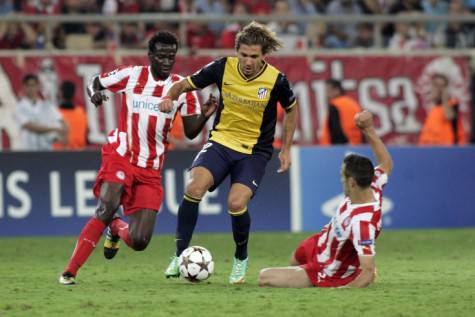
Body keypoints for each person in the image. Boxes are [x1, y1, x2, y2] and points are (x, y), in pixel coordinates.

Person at [59, 31, 217, 285]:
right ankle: (70, 271)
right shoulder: (132, 76)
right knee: (106, 205)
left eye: (171, 57)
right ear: (150, 56)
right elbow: (94, 81)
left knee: (139, 240)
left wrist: (206, 114)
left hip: (151, 168)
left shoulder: (183, 88)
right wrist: (93, 94)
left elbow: (190, 133)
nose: (167, 61)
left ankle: (117, 228)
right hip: (122, 153)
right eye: (162, 56)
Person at [159, 21, 299, 284]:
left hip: (254, 151)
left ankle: (240, 258)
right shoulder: (222, 67)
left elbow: (292, 108)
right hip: (222, 142)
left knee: (236, 204)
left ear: (263, 55)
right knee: (193, 189)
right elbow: (184, 84)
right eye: (243, 55)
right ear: (237, 51)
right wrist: (169, 96)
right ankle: (178, 256)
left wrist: (287, 148)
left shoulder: (276, 80)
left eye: (254, 57)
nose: (247, 61)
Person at [259, 110, 393, 288]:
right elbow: (386, 164)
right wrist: (369, 129)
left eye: (342, 176)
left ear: (352, 183)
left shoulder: (362, 223)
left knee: (264, 277)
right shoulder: (372, 183)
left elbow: (368, 271)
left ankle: (334, 273)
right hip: (320, 243)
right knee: (293, 259)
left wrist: (342, 291)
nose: (340, 179)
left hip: (328, 268)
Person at [13, 73, 68, 150]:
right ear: (24, 87)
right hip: (27, 151)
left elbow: (63, 122)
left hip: (46, 150)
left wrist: (62, 134)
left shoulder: (47, 106)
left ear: (38, 86)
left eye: (33, 85)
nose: (31, 88)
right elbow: (30, 127)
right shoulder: (19, 108)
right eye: (28, 85)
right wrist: (54, 129)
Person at [419, 74, 466, 145]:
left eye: (442, 86)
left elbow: (449, 116)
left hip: (448, 150)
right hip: (430, 149)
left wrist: (445, 98)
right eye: (436, 85)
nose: (439, 88)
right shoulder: (432, 107)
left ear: (446, 88)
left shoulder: (452, 103)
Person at [320, 79, 362, 145]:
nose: (326, 94)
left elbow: (335, 129)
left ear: (337, 90)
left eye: (328, 91)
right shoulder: (353, 104)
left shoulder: (335, 105)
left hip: (341, 147)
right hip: (357, 144)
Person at [53, 80, 88, 150]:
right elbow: (86, 134)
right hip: (79, 155)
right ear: (73, 94)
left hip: (58, 155)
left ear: (60, 93)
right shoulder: (81, 113)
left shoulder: (55, 113)